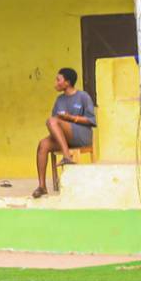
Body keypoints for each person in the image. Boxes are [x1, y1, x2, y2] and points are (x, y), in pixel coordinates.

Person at [33, 67, 97, 199]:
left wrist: (70, 118)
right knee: (43, 144)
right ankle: (42, 186)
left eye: (58, 80)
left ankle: (67, 156)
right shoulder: (59, 100)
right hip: (65, 138)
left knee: (51, 121)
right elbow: (54, 123)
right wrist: (60, 120)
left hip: (81, 135)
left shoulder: (83, 96)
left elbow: (91, 120)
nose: (55, 83)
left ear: (67, 82)